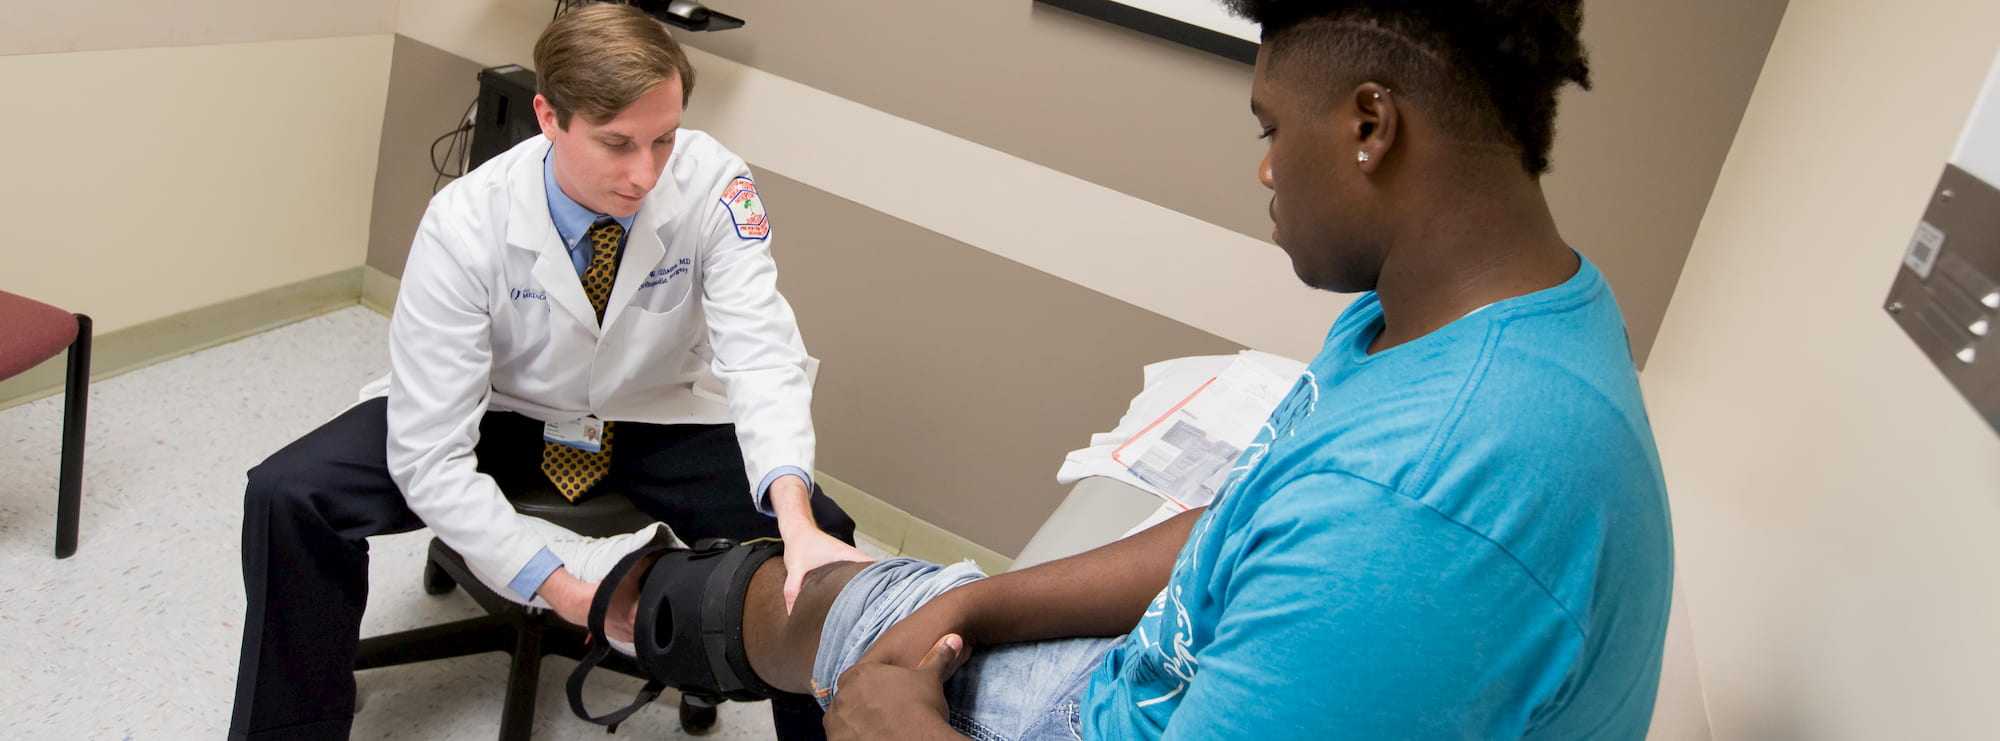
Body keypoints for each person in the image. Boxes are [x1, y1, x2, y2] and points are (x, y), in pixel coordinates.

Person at [576, 0, 1676, 738]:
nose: (1262, 166)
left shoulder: (1420, 513)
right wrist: (987, 605)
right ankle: (637, 601)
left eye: (1270, 125)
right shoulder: (1459, 320)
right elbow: (1238, 520)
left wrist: (902, 729)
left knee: (785, 612)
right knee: (819, 598)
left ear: (1368, 124)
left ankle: (624, 606)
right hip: (1149, 677)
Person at [226, 5, 868, 740]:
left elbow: (760, 351)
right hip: (502, 411)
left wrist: (791, 512)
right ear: (548, 116)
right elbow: (430, 455)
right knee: (289, 494)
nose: (645, 173)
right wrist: (565, 588)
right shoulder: (465, 221)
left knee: (824, 539)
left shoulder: (716, 186)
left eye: (663, 138)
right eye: (616, 144)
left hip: (651, 414)